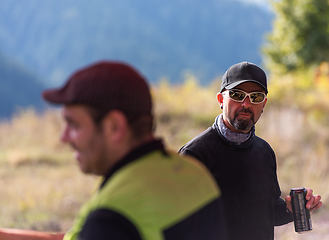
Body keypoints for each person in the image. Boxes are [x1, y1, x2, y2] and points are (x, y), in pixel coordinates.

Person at [0, 61, 228, 240]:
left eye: (74, 125)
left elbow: (102, 230)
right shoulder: (193, 173)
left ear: (114, 126)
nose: (63, 137)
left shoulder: (112, 216)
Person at [179, 61, 322, 240]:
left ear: (263, 105)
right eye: (237, 95)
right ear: (221, 100)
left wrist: (289, 209)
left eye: (255, 97)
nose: (246, 104)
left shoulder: (264, 151)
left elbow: (267, 213)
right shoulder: (195, 155)